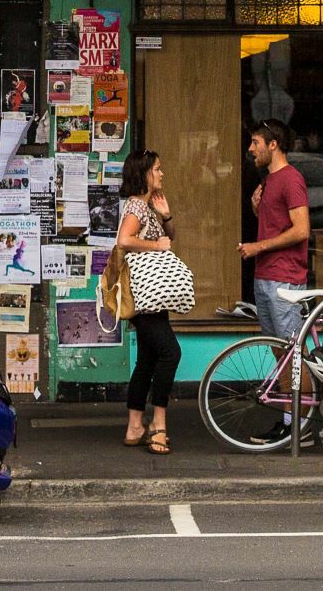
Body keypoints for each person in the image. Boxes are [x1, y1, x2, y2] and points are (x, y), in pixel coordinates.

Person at [115, 149, 179, 455]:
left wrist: (166, 216)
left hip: (154, 294)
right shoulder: (136, 208)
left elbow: (172, 237)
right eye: (157, 169)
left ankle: (134, 425)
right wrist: (156, 244)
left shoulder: (147, 206)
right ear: (144, 174)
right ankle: (159, 423)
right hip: (145, 295)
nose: (161, 174)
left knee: (147, 360)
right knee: (171, 352)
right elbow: (124, 240)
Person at [243, 120, 312, 346]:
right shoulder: (269, 179)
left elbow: (302, 230)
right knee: (279, 352)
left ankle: (301, 384)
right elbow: (275, 224)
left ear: (273, 145)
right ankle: (285, 385)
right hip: (264, 276)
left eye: (255, 142)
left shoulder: (291, 179)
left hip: (285, 279)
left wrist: (257, 247)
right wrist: (256, 208)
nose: (250, 149)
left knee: (293, 354)